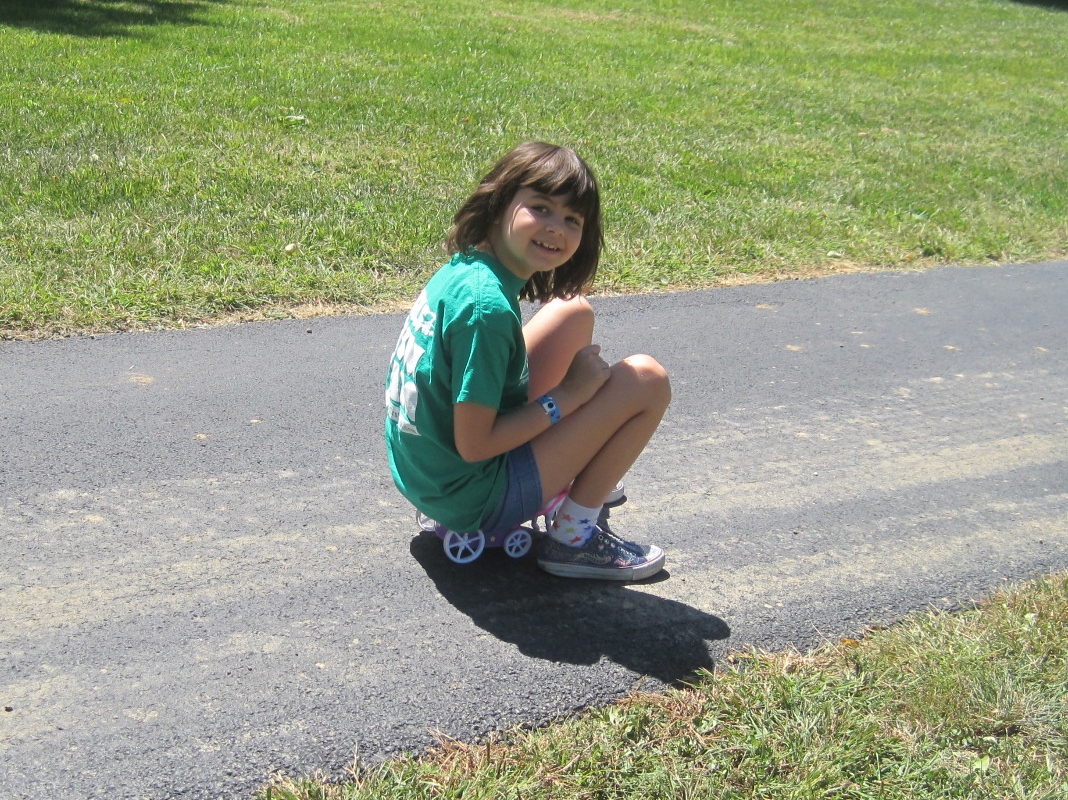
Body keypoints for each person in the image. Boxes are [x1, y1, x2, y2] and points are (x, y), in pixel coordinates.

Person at [385, 142, 671, 580]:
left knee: (572, 311)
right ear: (499, 204)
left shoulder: (466, 271)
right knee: (646, 380)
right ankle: (573, 538)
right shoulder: (486, 311)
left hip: (430, 476)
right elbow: (475, 446)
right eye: (541, 208)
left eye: (573, 219)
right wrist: (567, 396)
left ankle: (571, 466)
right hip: (473, 496)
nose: (556, 228)